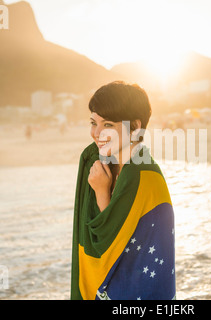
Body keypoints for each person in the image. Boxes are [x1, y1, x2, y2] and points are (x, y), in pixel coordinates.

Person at [70, 81, 176, 300]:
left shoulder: (142, 177)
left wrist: (101, 191)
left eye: (107, 124)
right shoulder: (109, 163)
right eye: (93, 122)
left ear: (135, 127)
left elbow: (111, 241)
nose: (96, 133)